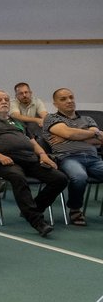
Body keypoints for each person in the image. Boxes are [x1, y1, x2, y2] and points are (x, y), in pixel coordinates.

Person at [0, 90, 68, 236]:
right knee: (18, 177)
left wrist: (43, 155)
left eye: (6, 99)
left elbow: (33, 142)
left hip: (29, 159)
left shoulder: (17, 121)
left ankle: (32, 209)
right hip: (2, 161)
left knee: (60, 179)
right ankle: (37, 221)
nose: (4, 101)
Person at [42, 88, 101, 227]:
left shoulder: (87, 119)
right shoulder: (52, 118)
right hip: (68, 158)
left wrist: (72, 135)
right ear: (55, 103)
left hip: (94, 159)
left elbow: (98, 138)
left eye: (71, 97)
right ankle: (75, 209)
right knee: (79, 177)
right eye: (63, 99)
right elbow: (69, 133)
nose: (69, 101)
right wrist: (91, 134)